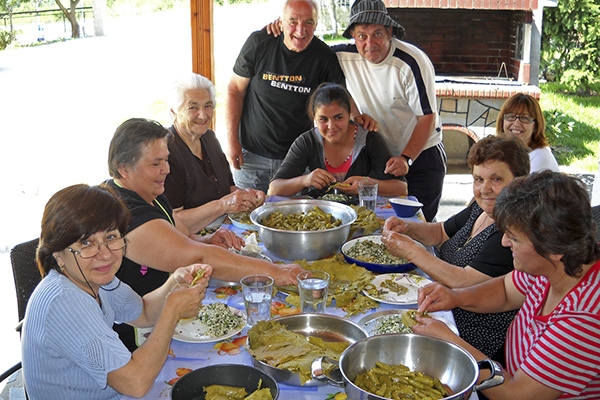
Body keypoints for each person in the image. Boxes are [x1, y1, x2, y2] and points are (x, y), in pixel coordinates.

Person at [106, 118, 305, 351]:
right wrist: (278, 273)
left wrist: (207, 240)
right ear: (123, 168)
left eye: (166, 159)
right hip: (137, 337)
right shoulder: (126, 213)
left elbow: (177, 232)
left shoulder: (148, 191)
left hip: (168, 311)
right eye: (155, 163)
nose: (166, 170)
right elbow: (195, 257)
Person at [414, 171, 600, 399]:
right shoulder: (553, 265)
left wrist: (450, 341)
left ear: (554, 248)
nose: (504, 242)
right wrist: (456, 297)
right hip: (504, 368)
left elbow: (514, 395)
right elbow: (505, 291)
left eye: (514, 237)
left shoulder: (584, 318)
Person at [21, 184, 211, 399]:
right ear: (58, 254)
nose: (105, 255)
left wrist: (176, 282)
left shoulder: (95, 279)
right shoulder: (64, 302)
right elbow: (136, 383)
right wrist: (172, 311)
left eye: (111, 237)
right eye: (86, 242)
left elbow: (144, 312)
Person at [266, 0, 446, 221]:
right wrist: (284, 27)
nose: (370, 43)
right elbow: (306, 46)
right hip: (380, 148)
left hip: (420, 154)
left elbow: (427, 116)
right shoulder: (342, 55)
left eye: (377, 34)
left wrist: (406, 158)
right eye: (362, 36)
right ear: (352, 35)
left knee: (420, 224)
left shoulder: (412, 61)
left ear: (389, 32)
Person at [382, 136, 530, 362]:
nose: (485, 189)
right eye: (478, 179)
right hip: (441, 310)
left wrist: (411, 251)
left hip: (470, 336)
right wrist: (408, 227)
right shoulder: (480, 210)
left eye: (496, 179)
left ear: (520, 181)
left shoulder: (510, 233)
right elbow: (441, 231)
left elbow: (463, 281)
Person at [225, 0, 348, 193]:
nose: (301, 30)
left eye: (309, 22)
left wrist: (358, 119)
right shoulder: (259, 43)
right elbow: (235, 90)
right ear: (280, 22)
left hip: (295, 162)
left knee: (291, 220)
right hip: (252, 157)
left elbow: (340, 103)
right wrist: (232, 141)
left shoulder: (324, 57)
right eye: (293, 21)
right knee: (244, 219)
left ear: (316, 24)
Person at [164, 72, 265, 234]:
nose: (203, 115)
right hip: (191, 238)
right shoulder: (167, 151)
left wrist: (248, 196)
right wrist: (223, 205)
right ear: (174, 111)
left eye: (208, 106)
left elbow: (229, 188)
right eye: (192, 107)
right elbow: (173, 221)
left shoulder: (209, 137)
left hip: (222, 227)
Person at [268, 82, 407, 198]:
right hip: (319, 221)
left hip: (363, 216)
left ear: (349, 116)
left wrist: (367, 184)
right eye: (323, 119)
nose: (331, 126)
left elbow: (401, 188)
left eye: (338, 117)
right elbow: (274, 189)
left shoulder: (369, 139)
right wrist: (306, 180)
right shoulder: (306, 142)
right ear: (314, 118)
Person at [496, 92, 560, 173]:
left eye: (524, 118)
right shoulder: (502, 152)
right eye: (511, 116)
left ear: (536, 126)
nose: (516, 123)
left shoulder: (540, 156)